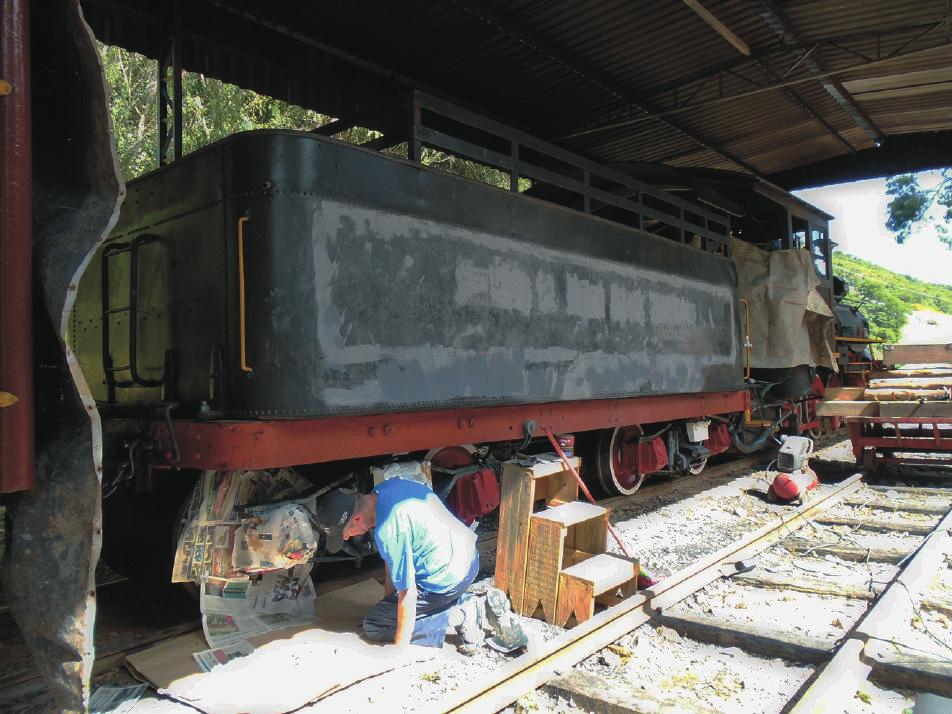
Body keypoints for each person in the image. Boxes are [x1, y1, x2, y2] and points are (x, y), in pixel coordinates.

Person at [315, 479, 486, 649]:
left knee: (376, 625)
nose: (345, 538)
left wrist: (399, 649)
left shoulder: (388, 530)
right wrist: (388, 602)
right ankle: (460, 602)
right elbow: (392, 559)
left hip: (447, 579)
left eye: (344, 533)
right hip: (468, 556)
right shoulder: (384, 490)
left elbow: (408, 593)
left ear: (357, 518)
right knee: (390, 612)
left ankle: (458, 615)